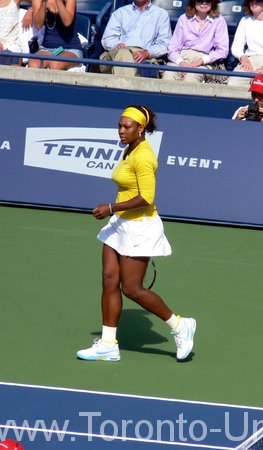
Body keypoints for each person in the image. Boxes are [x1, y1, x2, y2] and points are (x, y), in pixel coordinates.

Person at [77, 105, 196, 362]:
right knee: (109, 280)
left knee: (131, 288)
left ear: (140, 129)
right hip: (120, 224)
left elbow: (146, 197)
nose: (120, 131)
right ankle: (108, 344)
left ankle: (179, 325)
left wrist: (110, 207)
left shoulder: (144, 156)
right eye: (119, 126)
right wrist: (115, 212)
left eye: (126, 127)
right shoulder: (129, 149)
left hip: (139, 226)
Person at [161, 0, 228, 83]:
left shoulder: (219, 20)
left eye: (208, 0)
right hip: (182, 57)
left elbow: (222, 50)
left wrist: (200, 61)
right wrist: (181, 63)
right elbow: (172, 49)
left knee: (191, 77)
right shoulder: (183, 18)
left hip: (205, 61)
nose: (204, 3)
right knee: (169, 75)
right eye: (200, 0)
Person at [100, 0, 172, 77]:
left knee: (127, 58)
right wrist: (116, 45)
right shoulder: (120, 12)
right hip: (118, 51)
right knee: (124, 54)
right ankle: (126, 87)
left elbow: (164, 44)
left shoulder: (161, 14)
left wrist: (147, 53)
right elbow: (107, 39)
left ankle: (124, 86)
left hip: (145, 55)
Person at [227, 0, 263, 88]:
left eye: (258, 0)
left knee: (260, 86)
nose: (254, 3)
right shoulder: (245, 20)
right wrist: (243, 58)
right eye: (251, 0)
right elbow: (236, 46)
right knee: (233, 84)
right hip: (249, 61)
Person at [27, 0, 83, 70]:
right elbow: (38, 25)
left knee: (56, 65)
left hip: (70, 49)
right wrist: (43, 3)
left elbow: (67, 22)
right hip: (47, 48)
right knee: (33, 64)